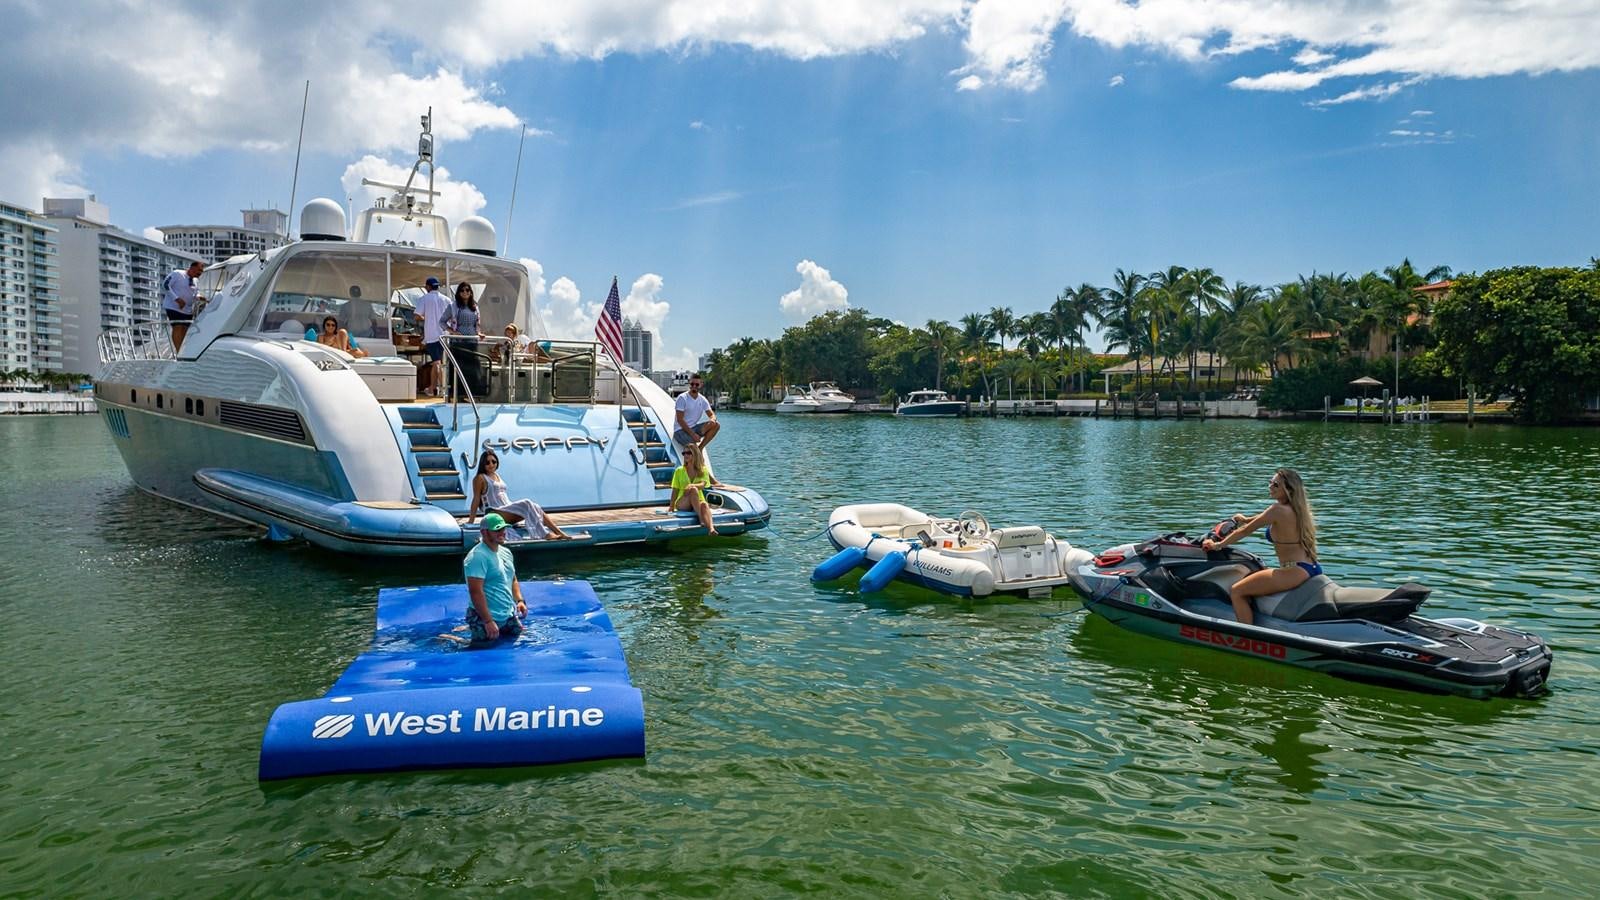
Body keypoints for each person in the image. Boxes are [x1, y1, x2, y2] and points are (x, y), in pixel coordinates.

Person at [1201, 468, 1321, 626]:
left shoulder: (1277, 510)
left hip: (1293, 571)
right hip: (1311, 568)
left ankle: (1247, 637)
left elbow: (1246, 531)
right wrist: (1245, 518)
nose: (1270, 487)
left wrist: (1217, 545)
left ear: (1288, 489)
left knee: (1237, 591)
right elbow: (1260, 519)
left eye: (1276, 485)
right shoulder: (1300, 511)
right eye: (1270, 482)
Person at [466, 449, 576, 540]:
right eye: (487, 462)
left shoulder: (497, 475)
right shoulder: (480, 478)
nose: (491, 464)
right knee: (527, 503)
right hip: (493, 512)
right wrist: (471, 521)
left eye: (494, 462)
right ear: (482, 464)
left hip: (506, 510)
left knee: (536, 507)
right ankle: (544, 534)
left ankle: (559, 532)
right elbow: (476, 499)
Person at [464, 513, 524, 646]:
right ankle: (448, 638)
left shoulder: (506, 552)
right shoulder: (477, 557)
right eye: (497, 530)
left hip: (506, 613)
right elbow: (475, 591)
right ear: (484, 532)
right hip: (483, 616)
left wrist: (519, 600)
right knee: (481, 649)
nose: (502, 532)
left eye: (503, 528)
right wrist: (488, 621)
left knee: (521, 637)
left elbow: (512, 578)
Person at [670, 443, 723, 536]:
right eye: (684, 453)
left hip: (697, 500)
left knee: (704, 504)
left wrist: (691, 485)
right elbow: (675, 490)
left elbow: (703, 484)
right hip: (683, 501)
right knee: (694, 489)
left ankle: (711, 529)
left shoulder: (703, 470)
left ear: (695, 454)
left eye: (688, 453)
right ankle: (701, 518)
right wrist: (671, 507)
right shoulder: (679, 470)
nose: (685, 455)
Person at [414, 276, 451, 396]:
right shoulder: (446, 299)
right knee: (439, 363)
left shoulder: (424, 298)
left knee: (437, 363)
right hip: (445, 335)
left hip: (432, 335)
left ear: (428, 287)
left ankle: (444, 390)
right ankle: (432, 388)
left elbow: (417, 316)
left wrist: (426, 317)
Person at [161, 260, 206, 352]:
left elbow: (195, 293)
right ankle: (178, 351)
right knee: (178, 326)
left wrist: (199, 297)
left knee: (185, 330)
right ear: (192, 268)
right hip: (173, 307)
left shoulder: (196, 281)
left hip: (187, 309)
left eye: (201, 271)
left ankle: (183, 351)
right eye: (199, 270)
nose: (200, 273)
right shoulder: (177, 274)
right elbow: (165, 285)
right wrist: (177, 299)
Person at [673, 373, 720, 451]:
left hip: (693, 428)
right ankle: (696, 451)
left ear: (701, 385)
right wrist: (693, 435)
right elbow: (680, 420)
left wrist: (712, 420)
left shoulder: (702, 399)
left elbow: (711, 414)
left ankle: (700, 448)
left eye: (697, 384)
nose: (694, 386)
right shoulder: (682, 398)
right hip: (680, 431)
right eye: (692, 384)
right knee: (694, 450)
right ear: (689, 384)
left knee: (716, 425)